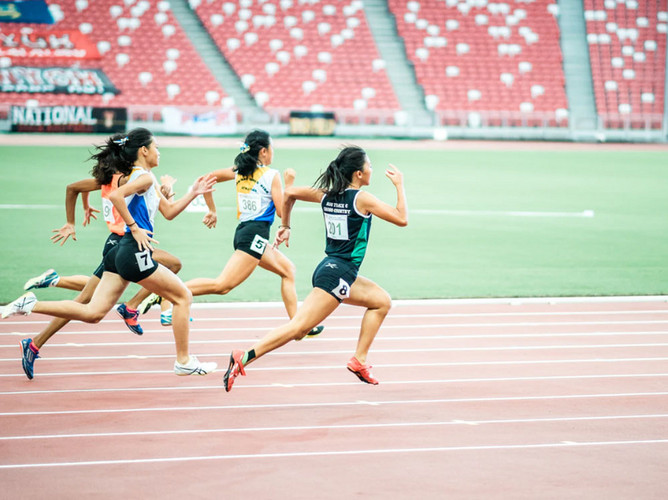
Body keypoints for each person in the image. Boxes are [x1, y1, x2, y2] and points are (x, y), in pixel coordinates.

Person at [3, 127, 217, 377]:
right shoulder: (143, 178)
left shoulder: (145, 177)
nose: (160, 152)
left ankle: (31, 304)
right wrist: (135, 228)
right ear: (144, 150)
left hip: (121, 251)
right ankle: (183, 360)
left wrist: (193, 193)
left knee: (92, 312)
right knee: (183, 296)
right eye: (156, 147)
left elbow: (168, 212)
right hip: (132, 250)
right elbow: (115, 196)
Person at [222, 146, 408, 392]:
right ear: (358, 174)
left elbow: (290, 193)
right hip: (337, 274)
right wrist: (399, 185)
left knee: (381, 301)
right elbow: (401, 218)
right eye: (369, 165)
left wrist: (286, 225)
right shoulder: (361, 199)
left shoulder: (326, 194)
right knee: (298, 329)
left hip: (335, 270)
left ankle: (359, 360)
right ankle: (244, 356)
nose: (371, 168)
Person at [13, 162, 183, 379]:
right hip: (123, 243)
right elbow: (75, 188)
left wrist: (85, 206)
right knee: (87, 301)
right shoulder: (125, 179)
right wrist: (72, 220)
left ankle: (36, 339)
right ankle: (130, 307)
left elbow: (78, 188)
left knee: (87, 297)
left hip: (124, 243)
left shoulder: (114, 179)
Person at [146, 129, 323, 336]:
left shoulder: (240, 170)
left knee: (287, 270)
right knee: (223, 285)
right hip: (255, 237)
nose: (273, 152)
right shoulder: (271, 175)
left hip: (246, 234)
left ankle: (298, 326)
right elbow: (282, 212)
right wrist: (290, 185)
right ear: (264, 151)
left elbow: (206, 178)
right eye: (272, 148)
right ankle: (168, 293)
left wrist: (212, 209)